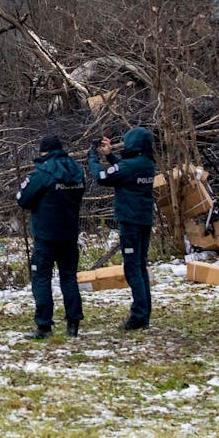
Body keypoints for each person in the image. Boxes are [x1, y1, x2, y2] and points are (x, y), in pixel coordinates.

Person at [16, 134, 86, 339]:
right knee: (69, 278)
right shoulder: (76, 170)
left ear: (43, 151)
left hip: (46, 236)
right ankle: (73, 323)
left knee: (41, 279)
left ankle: (44, 325)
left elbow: (23, 198)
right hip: (70, 233)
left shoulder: (42, 172)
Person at [89, 127, 157, 330]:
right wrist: (110, 156)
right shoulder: (147, 163)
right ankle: (143, 313)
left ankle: (139, 315)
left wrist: (93, 158)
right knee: (140, 265)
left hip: (130, 221)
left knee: (132, 267)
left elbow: (101, 176)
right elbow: (124, 170)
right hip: (144, 220)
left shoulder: (131, 165)